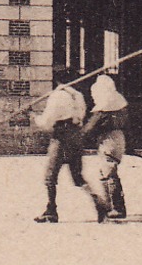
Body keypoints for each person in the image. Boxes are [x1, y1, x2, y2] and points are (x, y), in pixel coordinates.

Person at [32, 73, 109, 224]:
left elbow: (47, 121)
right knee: (78, 176)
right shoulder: (78, 96)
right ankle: (99, 202)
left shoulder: (57, 96)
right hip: (76, 135)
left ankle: (51, 210)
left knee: (50, 175)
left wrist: (34, 116)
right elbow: (81, 114)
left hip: (61, 136)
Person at [82, 73, 129, 220]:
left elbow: (90, 128)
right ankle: (110, 206)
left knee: (109, 173)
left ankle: (117, 207)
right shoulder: (120, 104)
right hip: (119, 139)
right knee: (106, 172)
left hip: (108, 141)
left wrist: (78, 136)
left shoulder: (104, 110)